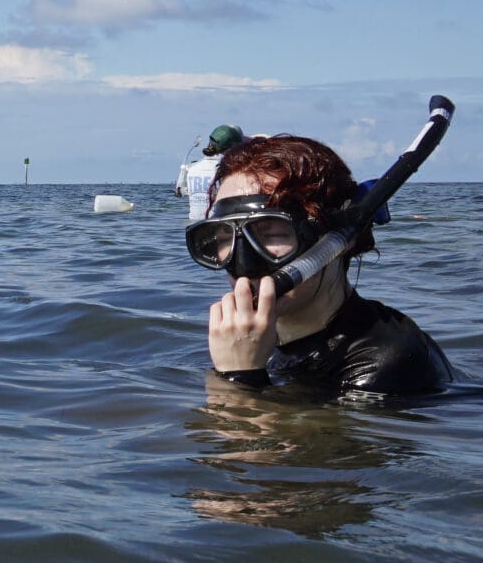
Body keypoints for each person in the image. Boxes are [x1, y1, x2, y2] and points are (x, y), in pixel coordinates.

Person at [192, 133, 452, 402]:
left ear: (337, 242)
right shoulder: (263, 341)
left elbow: (250, 442)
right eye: (224, 237)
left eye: (273, 234)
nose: (245, 264)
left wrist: (239, 377)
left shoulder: (385, 365)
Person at [175, 124, 242, 216]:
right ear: (232, 148)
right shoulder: (231, 171)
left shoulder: (191, 168)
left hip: (193, 226)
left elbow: (179, 193)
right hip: (218, 226)